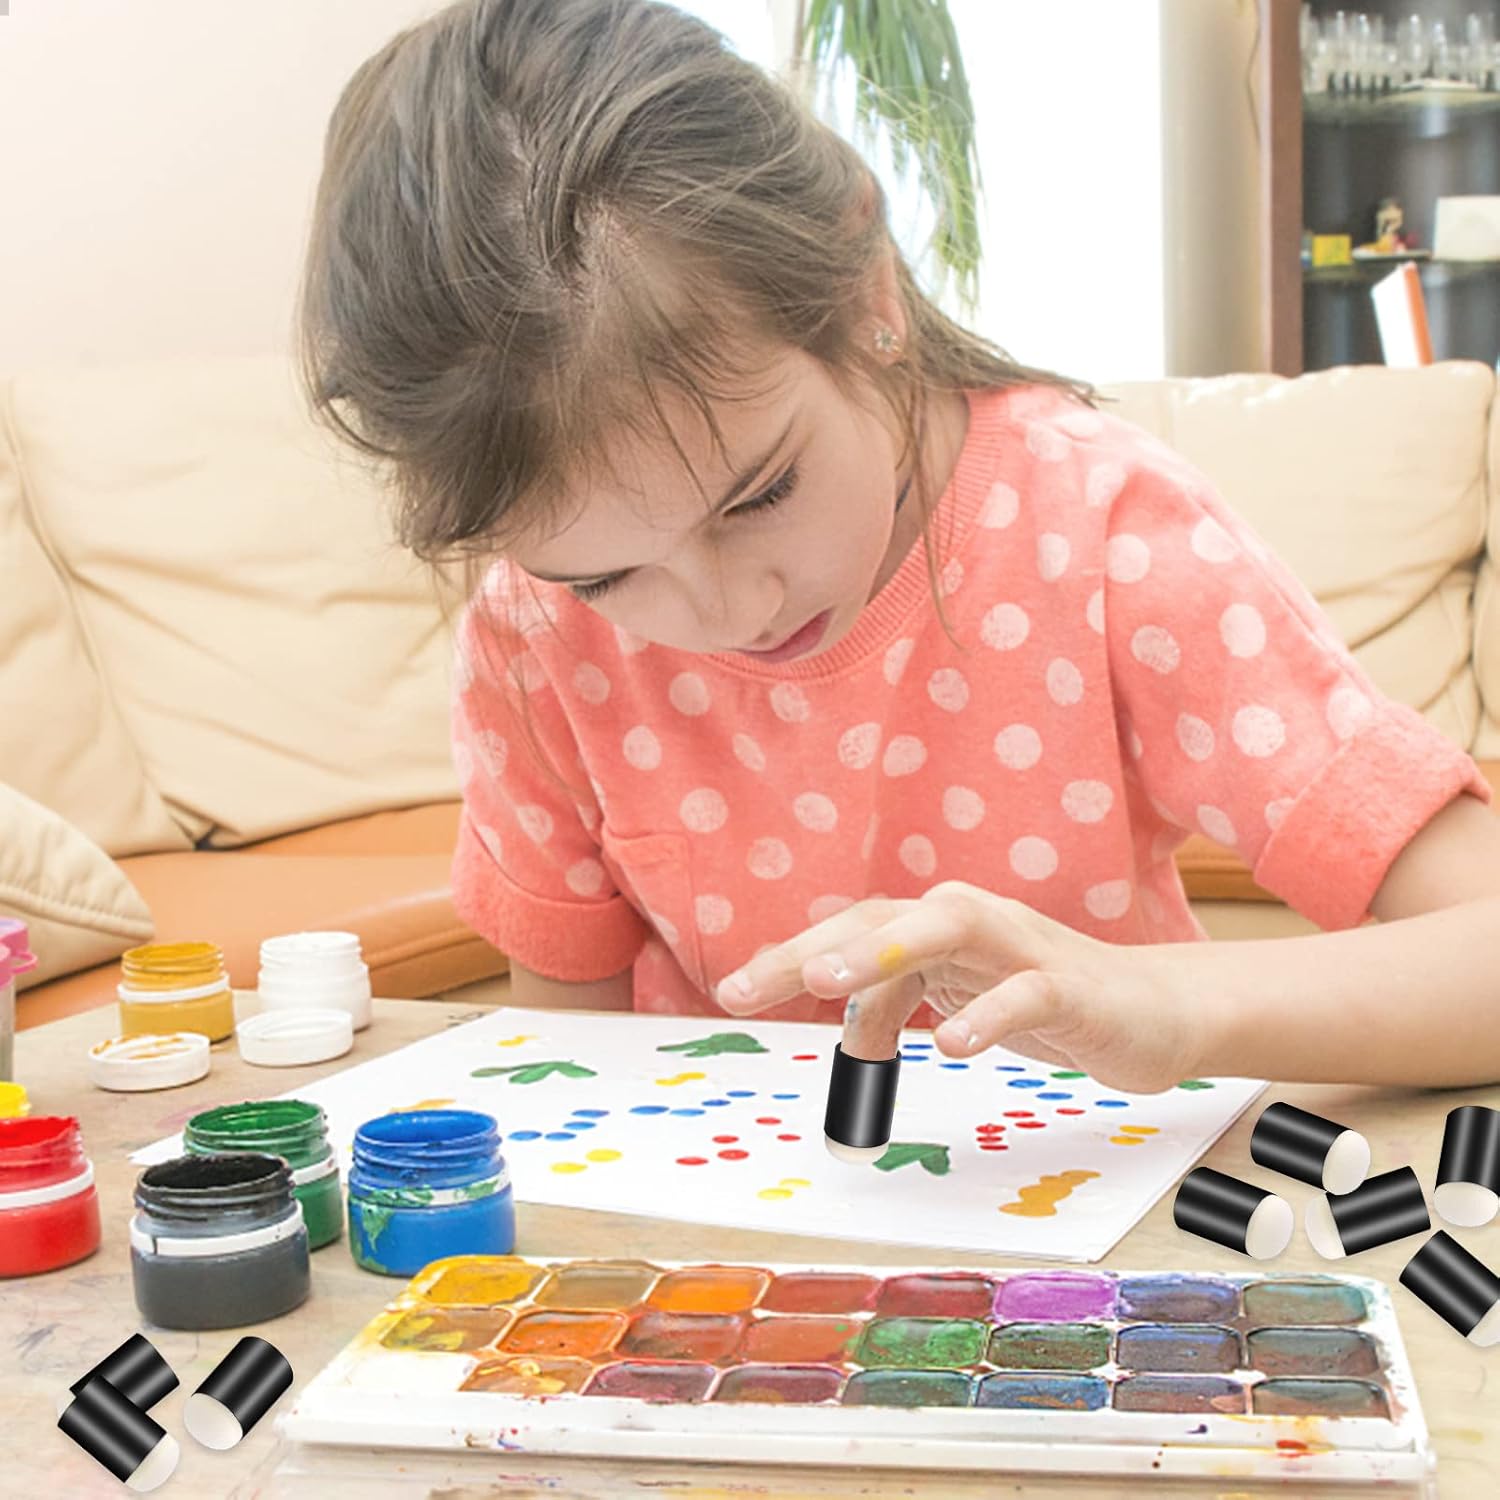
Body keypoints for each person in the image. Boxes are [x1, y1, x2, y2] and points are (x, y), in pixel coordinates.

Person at [297, 0, 1500, 1095]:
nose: (729, 611)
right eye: (607, 574)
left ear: (868, 289)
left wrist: (1170, 1004)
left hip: (1096, 1226)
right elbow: (564, 1077)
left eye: (760, 494)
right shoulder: (534, 626)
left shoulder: (1101, 534)